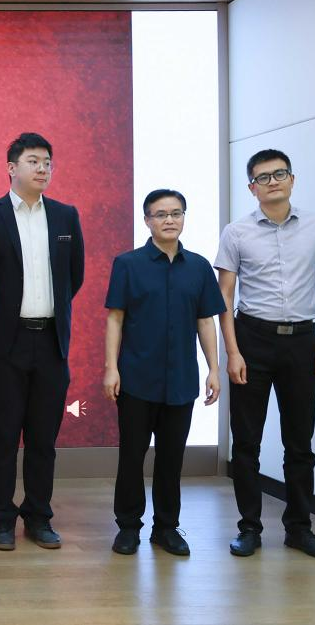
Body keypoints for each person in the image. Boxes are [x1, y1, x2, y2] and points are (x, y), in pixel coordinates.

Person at [216, 149, 315, 561]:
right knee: (246, 441)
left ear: (292, 179)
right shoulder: (236, 233)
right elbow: (225, 296)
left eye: (279, 174)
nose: (272, 182)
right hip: (252, 338)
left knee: (300, 442)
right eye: (263, 177)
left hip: (302, 341)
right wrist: (232, 351)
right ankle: (249, 528)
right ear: (252, 187)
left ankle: (299, 528)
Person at [0, 132, 84, 551]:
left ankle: (38, 515)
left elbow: (74, 277)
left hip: (51, 340)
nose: (42, 168)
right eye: (33, 161)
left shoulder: (66, 216)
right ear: (11, 168)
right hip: (6, 341)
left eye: (47, 162)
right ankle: (1, 515)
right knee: (2, 434)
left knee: (43, 437)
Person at [103, 189, 225, 557]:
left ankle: (166, 528)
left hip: (182, 380)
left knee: (172, 459)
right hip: (137, 378)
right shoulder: (128, 264)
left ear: (184, 217)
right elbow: (115, 319)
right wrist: (111, 368)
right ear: (147, 221)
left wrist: (214, 369)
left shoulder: (199, 267)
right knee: (132, 456)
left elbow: (206, 321)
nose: (169, 220)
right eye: (160, 214)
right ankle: (128, 527)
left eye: (176, 213)